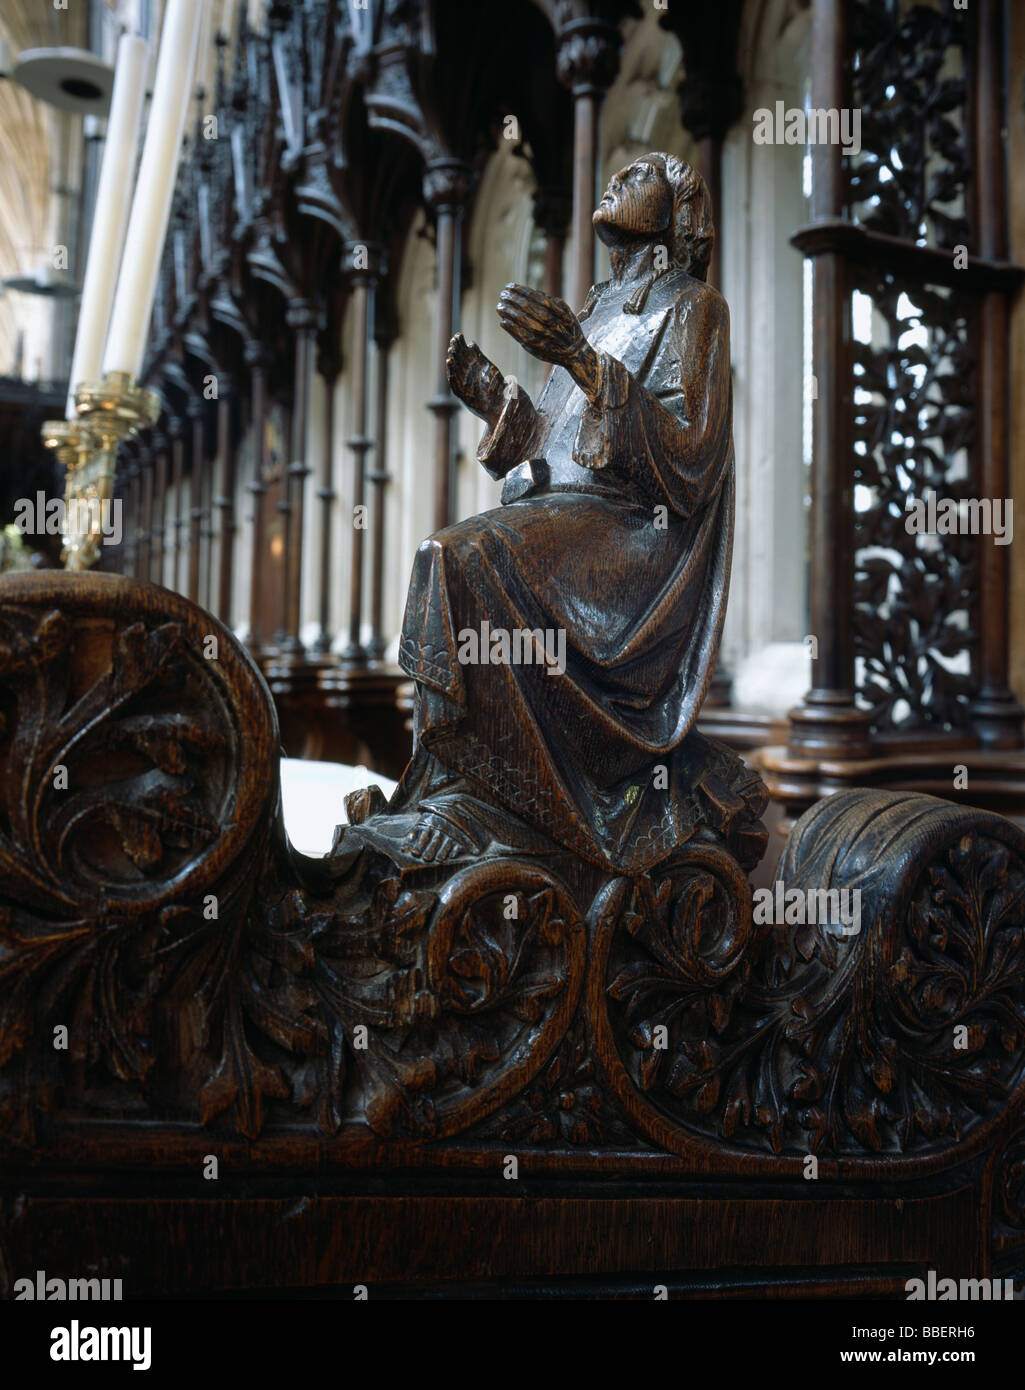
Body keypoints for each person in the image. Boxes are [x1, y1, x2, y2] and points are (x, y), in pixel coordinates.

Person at [385, 153, 750, 874]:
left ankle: (464, 801)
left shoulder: (693, 306)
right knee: (450, 558)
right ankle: (444, 791)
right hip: (563, 522)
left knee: (454, 555)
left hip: (635, 541)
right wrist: (495, 399)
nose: (616, 179)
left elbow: (689, 459)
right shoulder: (592, 310)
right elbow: (553, 454)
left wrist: (580, 359)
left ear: (678, 211)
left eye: (640, 173)